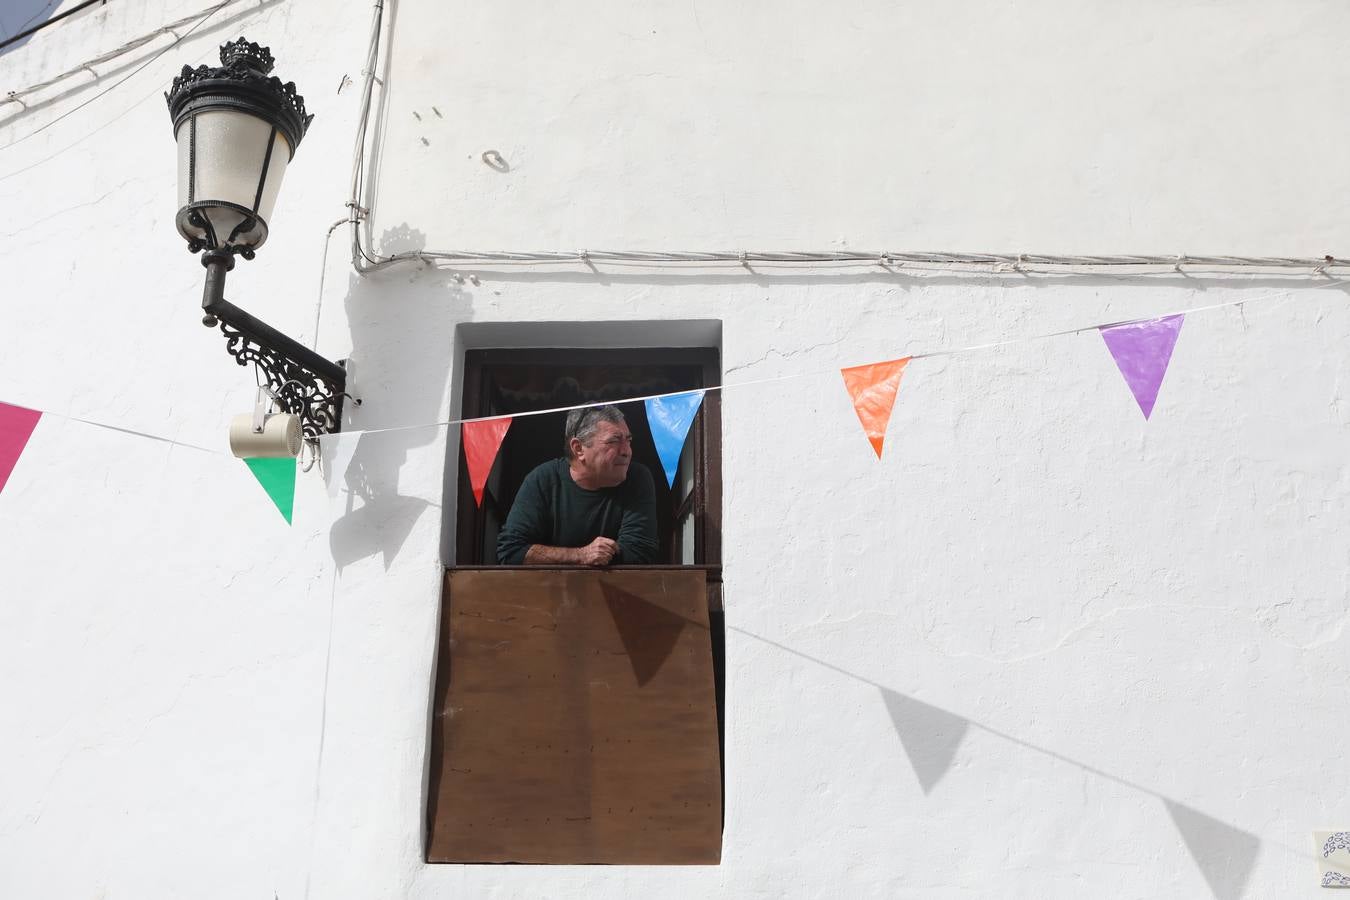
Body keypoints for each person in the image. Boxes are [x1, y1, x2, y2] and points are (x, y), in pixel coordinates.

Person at [496, 405, 659, 566]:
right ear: (579, 448)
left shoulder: (637, 478)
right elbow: (511, 551)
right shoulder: (542, 480)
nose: (627, 451)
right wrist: (580, 555)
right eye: (614, 441)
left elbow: (639, 553)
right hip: (549, 590)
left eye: (628, 440)